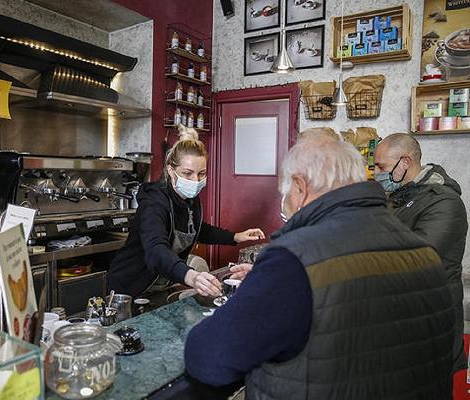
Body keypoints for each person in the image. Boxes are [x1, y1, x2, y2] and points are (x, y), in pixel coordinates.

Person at [184, 135, 455, 399]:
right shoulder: (423, 254)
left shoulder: (294, 259)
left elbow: (208, 357)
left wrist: (260, 288)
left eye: (285, 191)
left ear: (300, 188)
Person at [106, 125, 264, 298]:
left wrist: (235, 237)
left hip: (161, 284)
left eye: (202, 173)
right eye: (188, 173)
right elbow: (156, 248)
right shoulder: (154, 202)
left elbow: (196, 229)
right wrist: (191, 276)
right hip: (130, 287)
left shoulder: (190, 199)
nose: (195, 180)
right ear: (171, 170)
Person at [375, 132, 468, 372]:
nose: (376, 173)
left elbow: (416, 259)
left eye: (381, 166)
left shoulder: (444, 203)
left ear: (404, 163)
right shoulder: (397, 198)